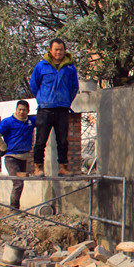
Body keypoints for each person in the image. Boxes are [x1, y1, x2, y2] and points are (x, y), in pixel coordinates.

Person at [29, 38, 79, 176]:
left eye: (61, 49)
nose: (59, 52)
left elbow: (74, 86)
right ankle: (38, 167)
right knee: (40, 140)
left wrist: (67, 100)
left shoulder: (70, 68)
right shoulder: (41, 66)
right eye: (56, 49)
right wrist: (41, 99)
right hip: (45, 108)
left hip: (62, 108)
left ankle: (62, 167)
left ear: (65, 50)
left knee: (62, 140)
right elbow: (34, 84)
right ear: (50, 50)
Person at [0, 100, 36, 210]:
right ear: (16, 110)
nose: (21, 112)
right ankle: (14, 209)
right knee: (18, 183)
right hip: (11, 158)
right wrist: (3, 147)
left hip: (24, 158)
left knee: (20, 184)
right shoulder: (8, 122)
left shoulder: (30, 121)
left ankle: (16, 208)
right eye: (19, 109)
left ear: (28, 111)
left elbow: (43, 120)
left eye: (24, 110)